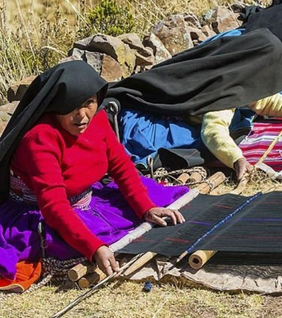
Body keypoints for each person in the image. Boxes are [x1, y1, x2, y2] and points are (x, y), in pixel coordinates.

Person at [0, 61, 187, 291]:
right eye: (71, 107)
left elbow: (120, 166)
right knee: (77, 245)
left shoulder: (98, 121)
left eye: (89, 103)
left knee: (154, 205)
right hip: (40, 214)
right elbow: (54, 206)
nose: (82, 115)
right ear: (55, 107)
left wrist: (146, 207)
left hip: (84, 200)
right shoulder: (40, 139)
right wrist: (93, 246)